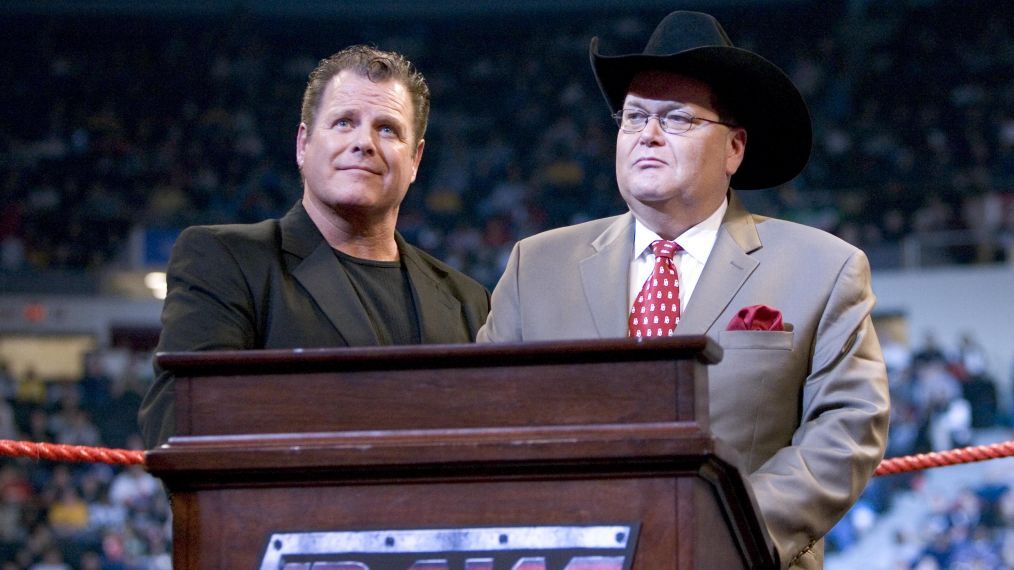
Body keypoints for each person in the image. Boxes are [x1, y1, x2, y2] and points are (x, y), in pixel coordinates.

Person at [477, 11, 889, 569]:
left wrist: (717, 532)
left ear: (734, 148)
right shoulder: (537, 265)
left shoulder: (823, 268)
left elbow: (847, 429)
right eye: (634, 116)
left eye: (676, 119)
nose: (647, 133)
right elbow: (485, 424)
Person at [139, 45, 490, 449]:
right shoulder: (225, 261)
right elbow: (180, 424)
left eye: (388, 129)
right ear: (303, 144)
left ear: (415, 159)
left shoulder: (468, 301)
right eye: (343, 122)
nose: (365, 142)